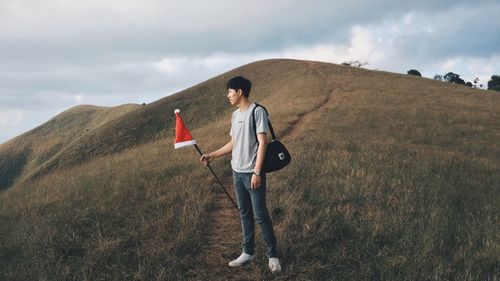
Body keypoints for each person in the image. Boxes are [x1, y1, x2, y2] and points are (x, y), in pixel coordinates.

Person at [200, 76, 281, 273]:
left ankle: (273, 256)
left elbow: (263, 143)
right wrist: (212, 155)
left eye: (230, 92)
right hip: (237, 172)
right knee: (244, 213)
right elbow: (233, 143)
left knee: (260, 215)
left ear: (240, 92)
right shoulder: (235, 115)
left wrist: (257, 172)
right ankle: (248, 252)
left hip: (252, 174)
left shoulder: (257, 111)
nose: (228, 96)